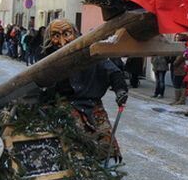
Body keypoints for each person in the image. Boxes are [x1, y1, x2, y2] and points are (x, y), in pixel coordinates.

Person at [41, 20, 128, 162]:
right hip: (66, 105)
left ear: (75, 34)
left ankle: (109, 168)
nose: (62, 41)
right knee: (79, 141)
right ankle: (81, 168)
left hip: (93, 104)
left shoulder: (89, 52)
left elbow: (112, 71)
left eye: (67, 34)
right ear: (49, 38)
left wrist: (120, 90)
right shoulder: (48, 59)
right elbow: (40, 83)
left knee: (106, 140)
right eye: (56, 35)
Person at [170, 34, 188, 105]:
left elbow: (179, 58)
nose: (176, 39)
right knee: (180, 85)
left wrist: (174, 63)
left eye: (178, 38)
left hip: (180, 69)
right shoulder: (184, 47)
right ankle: (178, 100)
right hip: (181, 69)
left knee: (179, 84)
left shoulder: (183, 48)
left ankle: (180, 100)